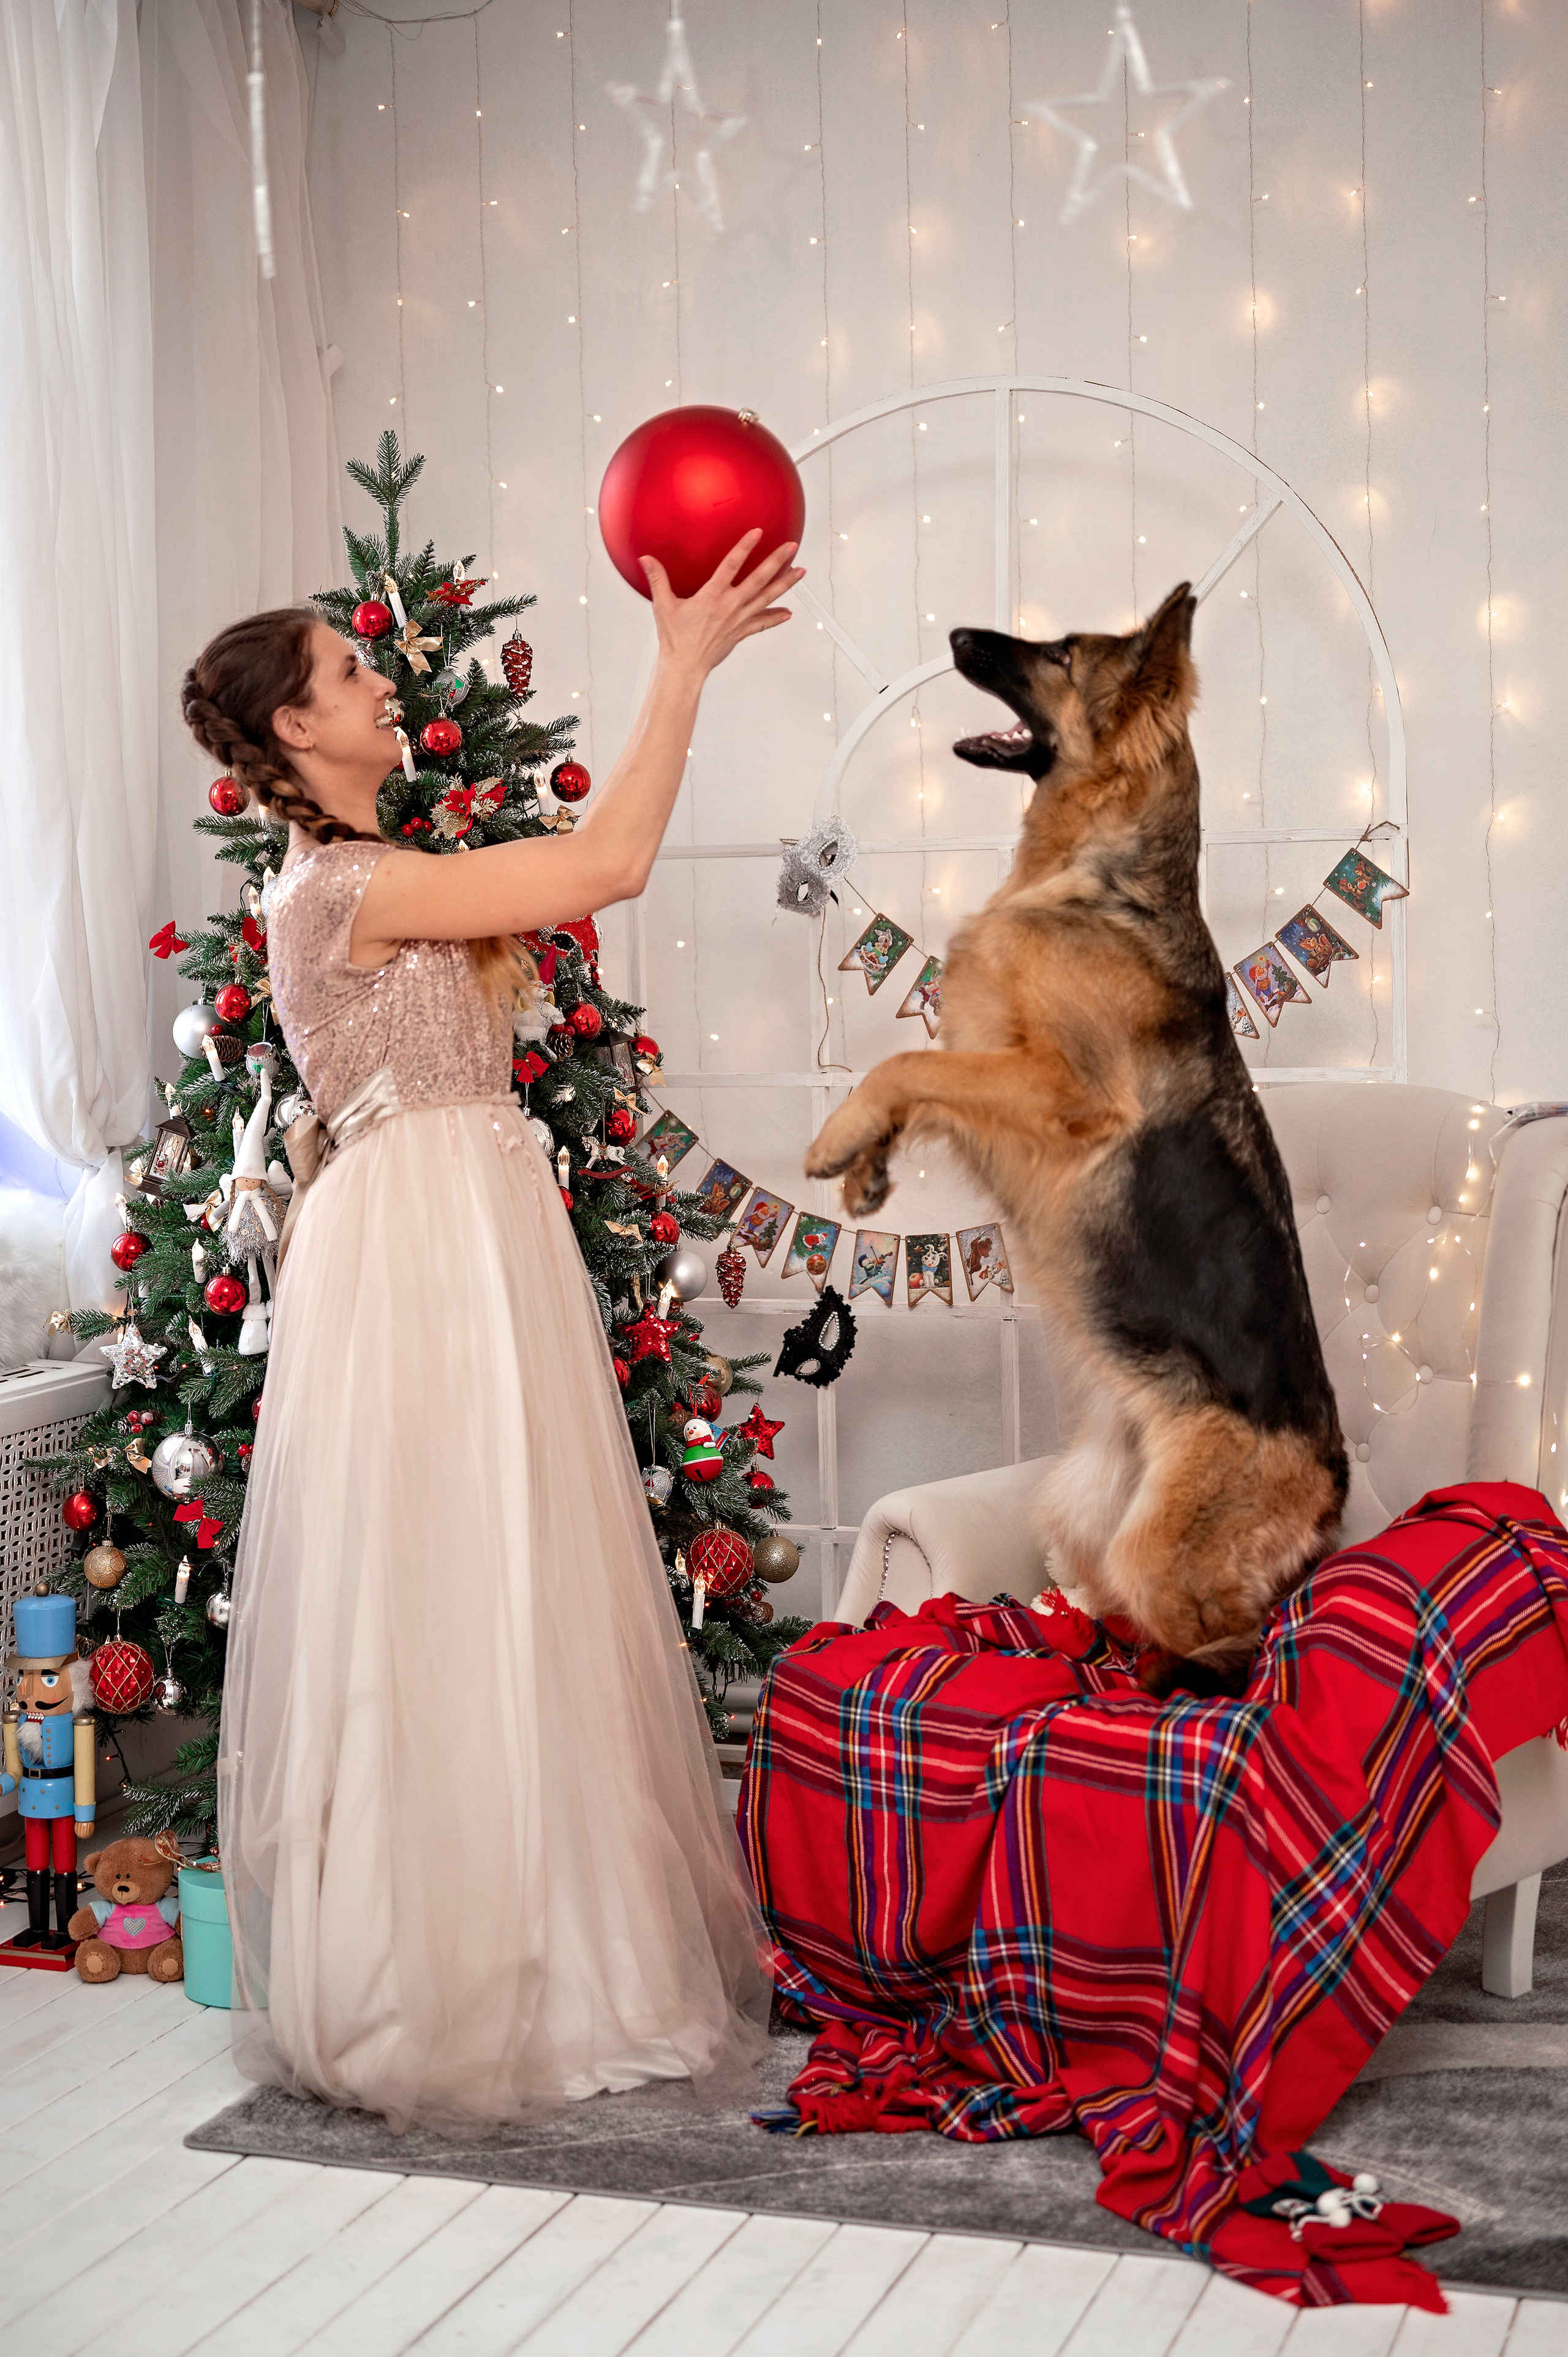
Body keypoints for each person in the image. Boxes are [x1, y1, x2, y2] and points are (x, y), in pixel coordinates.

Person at [181, 531, 803, 2134]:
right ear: (299, 729)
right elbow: (608, 866)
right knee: (453, 1579)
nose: (381, 681)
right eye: (348, 672)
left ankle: (539, 1947)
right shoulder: (349, 887)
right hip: (424, 1248)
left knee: (502, 1574)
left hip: (460, 1226)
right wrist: (681, 666)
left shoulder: (362, 875)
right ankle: (449, 1973)